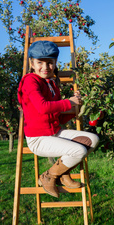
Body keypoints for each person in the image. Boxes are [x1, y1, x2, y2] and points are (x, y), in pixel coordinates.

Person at [17, 40, 99, 198]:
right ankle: (49, 176)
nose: (45, 67)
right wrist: (69, 102)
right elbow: (42, 107)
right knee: (79, 150)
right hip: (38, 138)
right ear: (32, 63)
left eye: (50, 63)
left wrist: (76, 109)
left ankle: (62, 173)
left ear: (55, 63)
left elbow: (57, 116)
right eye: (40, 62)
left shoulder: (52, 84)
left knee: (93, 140)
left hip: (55, 132)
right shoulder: (30, 80)